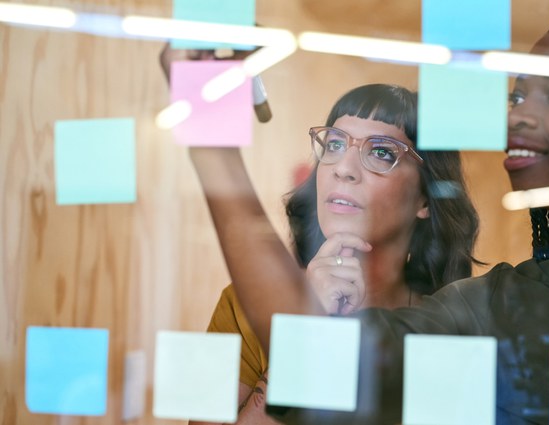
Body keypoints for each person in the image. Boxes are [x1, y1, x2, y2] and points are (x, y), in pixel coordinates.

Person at [192, 10, 549, 424]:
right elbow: (318, 358)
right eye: (518, 96)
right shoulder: (495, 305)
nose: (519, 116)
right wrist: (209, 134)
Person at [161, 43, 482, 425]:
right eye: (334, 144)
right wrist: (306, 330)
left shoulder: (451, 323)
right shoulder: (239, 304)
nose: (343, 168)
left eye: (381, 152)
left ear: (426, 199)